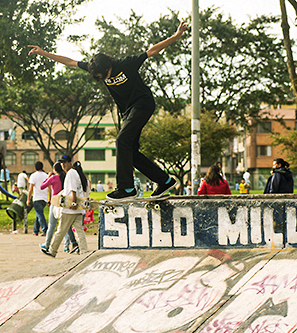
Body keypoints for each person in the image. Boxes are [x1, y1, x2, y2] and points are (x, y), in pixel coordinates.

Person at [28, 21, 189, 201]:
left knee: (122, 140)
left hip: (143, 103)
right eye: (101, 78)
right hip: (128, 112)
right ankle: (165, 180)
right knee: (130, 152)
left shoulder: (126, 64)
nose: (105, 78)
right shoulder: (94, 67)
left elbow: (151, 51)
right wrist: (43, 53)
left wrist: (176, 36)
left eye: (105, 75)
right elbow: (70, 61)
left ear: (108, 66)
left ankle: (127, 189)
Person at [42, 156, 88, 257]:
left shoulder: (71, 173)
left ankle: (52, 250)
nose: (63, 165)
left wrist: (73, 203)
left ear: (70, 163)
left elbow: (73, 189)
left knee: (61, 230)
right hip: (79, 209)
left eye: (65, 163)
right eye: (61, 163)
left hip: (70, 209)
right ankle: (84, 251)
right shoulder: (75, 173)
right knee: (79, 231)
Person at [39, 161, 78, 254]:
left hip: (55, 203)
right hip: (64, 203)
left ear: (54, 170)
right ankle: (70, 244)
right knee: (65, 225)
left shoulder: (53, 177)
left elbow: (42, 186)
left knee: (52, 225)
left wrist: (48, 177)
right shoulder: (65, 177)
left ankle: (47, 244)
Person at [27, 161, 48, 236]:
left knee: (40, 214)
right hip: (44, 198)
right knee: (39, 214)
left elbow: (30, 188)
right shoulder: (46, 175)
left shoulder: (33, 175)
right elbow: (49, 188)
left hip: (37, 198)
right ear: (42, 167)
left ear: (35, 168)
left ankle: (45, 230)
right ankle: (35, 230)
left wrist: (28, 199)